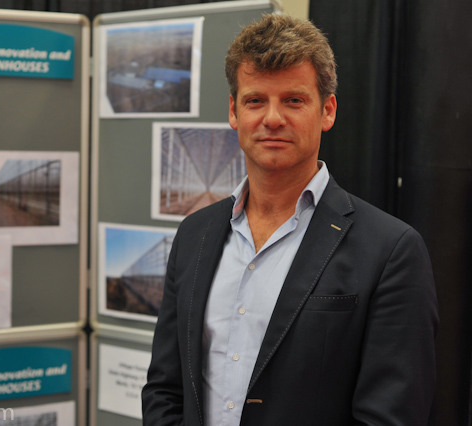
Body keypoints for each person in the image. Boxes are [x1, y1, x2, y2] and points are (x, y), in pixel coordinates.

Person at [141, 13, 438, 426]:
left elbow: (390, 417)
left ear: (327, 111)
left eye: (293, 100)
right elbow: (165, 389)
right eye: (255, 101)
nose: (273, 118)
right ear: (234, 112)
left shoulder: (390, 251)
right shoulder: (195, 234)